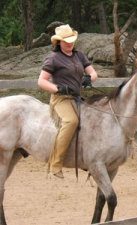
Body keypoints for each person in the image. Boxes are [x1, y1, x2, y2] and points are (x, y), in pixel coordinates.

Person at [38, 24, 98, 179]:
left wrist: (88, 78)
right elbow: (41, 81)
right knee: (71, 121)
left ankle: (88, 160)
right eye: (66, 41)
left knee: (93, 121)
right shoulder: (53, 58)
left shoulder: (79, 55)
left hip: (77, 98)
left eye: (71, 40)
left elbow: (93, 73)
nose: (69, 43)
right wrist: (57, 88)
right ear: (58, 42)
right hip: (60, 99)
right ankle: (55, 164)